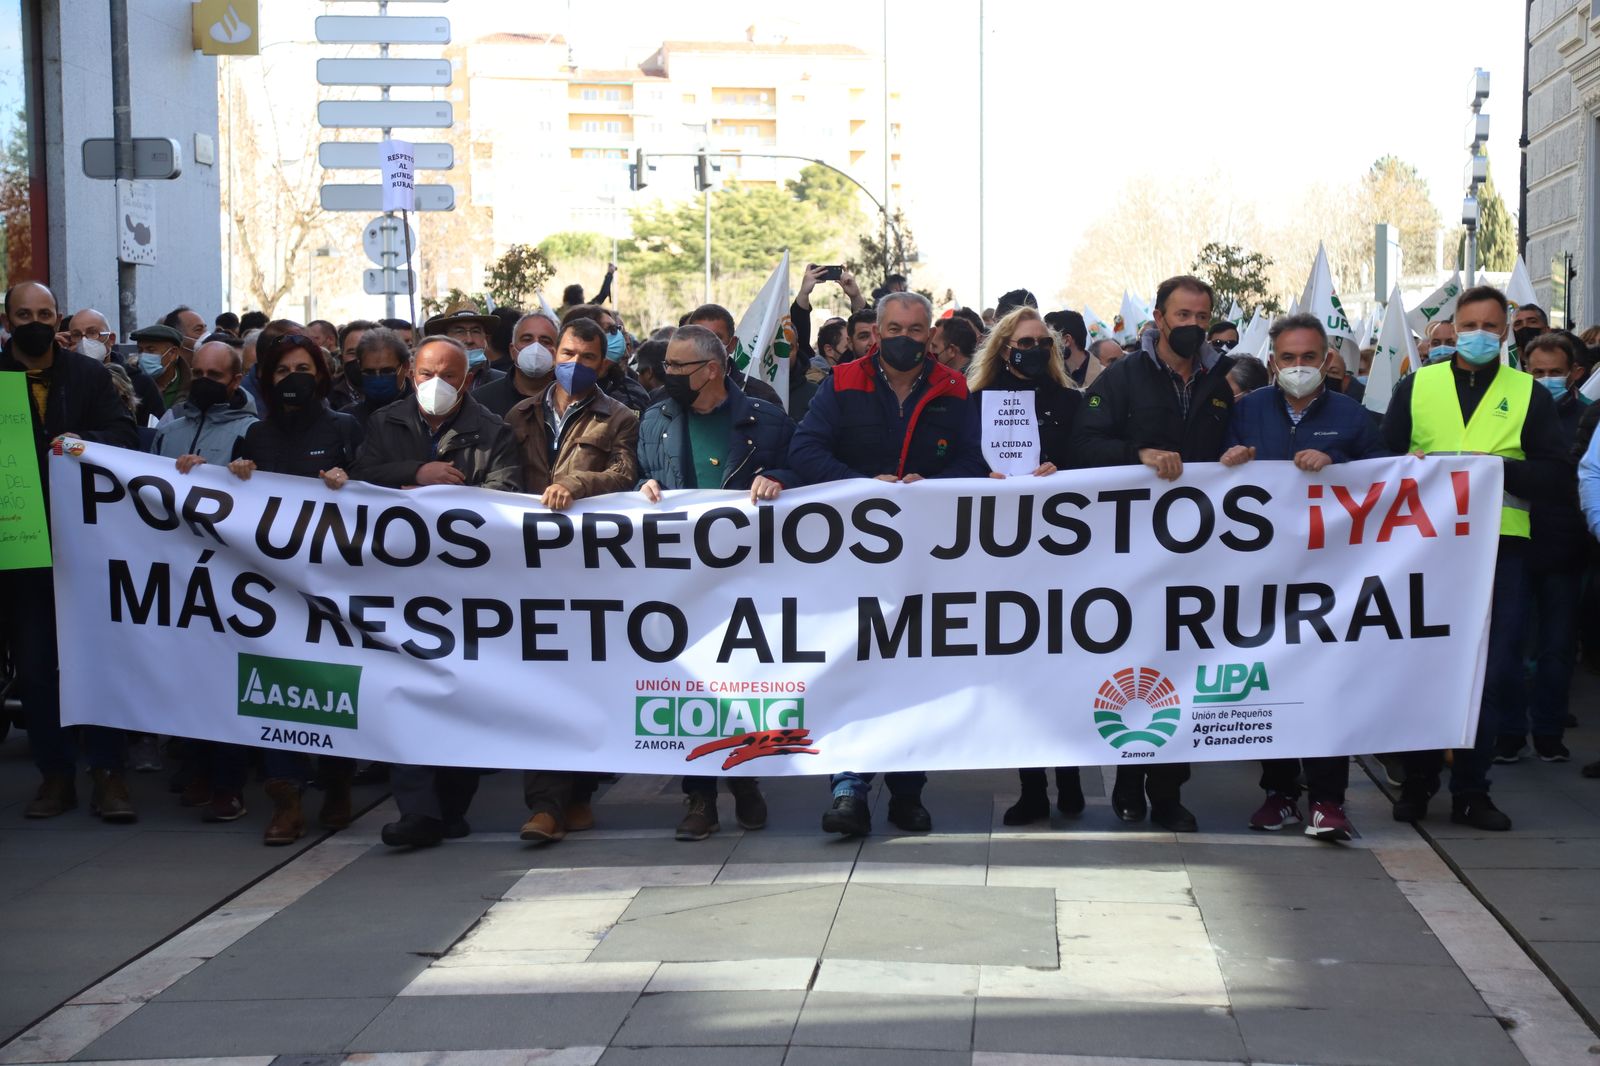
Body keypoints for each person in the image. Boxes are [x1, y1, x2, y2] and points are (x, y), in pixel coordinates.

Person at [791, 291, 986, 837]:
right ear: (877, 332)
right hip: (851, 555)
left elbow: (975, 460)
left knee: (910, 670)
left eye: (917, 330)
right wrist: (860, 488)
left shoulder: (953, 388)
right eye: (894, 328)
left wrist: (936, 487)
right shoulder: (842, 381)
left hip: (924, 559)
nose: (906, 338)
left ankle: (907, 791)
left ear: (932, 336)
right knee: (852, 665)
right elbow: (805, 451)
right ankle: (848, 788)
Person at [1381, 286, 1570, 831]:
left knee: (1490, 671)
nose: (1479, 335)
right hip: (1424, 550)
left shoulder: (1528, 394)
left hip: (1499, 551)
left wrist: (1495, 467)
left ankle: (1471, 788)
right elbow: (1381, 461)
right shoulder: (1416, 386)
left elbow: (1555, 474)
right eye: (1470, 325)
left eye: (1491, 326)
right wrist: (1409, 466)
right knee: (1421, 666)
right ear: (1454, 327)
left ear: (1507, 331)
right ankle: (1417, 781)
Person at [1071, 274, 1239, 833]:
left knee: (1183, 668)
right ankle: (1128, 776)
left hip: (1199, 553)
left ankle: (1169, 790)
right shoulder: (1123, 377)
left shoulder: (1221, 382)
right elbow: (1084, 446)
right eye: (1182, 316)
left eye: (1201, 316)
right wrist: (1137, 454)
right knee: (1135, 667)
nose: (1192, 326)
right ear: (1160, 320)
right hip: (1132, 552)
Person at [1219, 313, 1389, 841]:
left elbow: (1383, 476)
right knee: (1269, 682)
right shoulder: (1245, 411)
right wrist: (1232, 459)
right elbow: (1214, 474)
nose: (1298, 367)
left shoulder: (1352, 415)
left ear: (1327, 360)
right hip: (1262, 574)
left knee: (1325, 684)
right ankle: (1279, 794)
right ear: (1273, 361)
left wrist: (1336, 458)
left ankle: (1329, 801)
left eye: (1308, 357)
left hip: (1328, 578)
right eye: (1288, 358)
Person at [350, 336, 522, 848]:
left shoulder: (494, 431)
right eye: (426, 374)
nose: (435, 385)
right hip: (400, 589)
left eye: (448, 376)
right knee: (403, 696)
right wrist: (415, 474)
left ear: (469, 379)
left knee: (459, 697)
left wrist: (448, 498)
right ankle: (416, 812)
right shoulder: (386, 423)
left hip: (465, 592)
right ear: (409, 373)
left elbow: (506, 500)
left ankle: (450, 807)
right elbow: (361, 479)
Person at [636, 324, 793, 841]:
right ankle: (700, 796)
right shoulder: (655, 419)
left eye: (678, 367)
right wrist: (644, 485)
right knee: (689, 684)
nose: (667, 375)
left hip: (749, 579)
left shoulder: (766, 420)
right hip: (681, 579)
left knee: (739, 684)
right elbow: (638, 474)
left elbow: (803, 470)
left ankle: (744, 780)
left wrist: (781, 479)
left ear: (711, 369)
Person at [0, 281, 139, 821]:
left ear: (56, 316)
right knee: (35, 668)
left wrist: (81, 445)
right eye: (23, 313)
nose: (34, 321)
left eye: (44, 312)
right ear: (7, 319)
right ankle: (54, 774)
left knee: (98, 658)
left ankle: (109, 773)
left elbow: (126, 437)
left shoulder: (88, 375)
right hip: (20, 545)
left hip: (87, 542)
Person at [504, 317, 640, 845]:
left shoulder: (621, 416)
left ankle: (577, 793)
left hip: (591, 570)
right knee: (542, 686)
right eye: (566, 353)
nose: (573, 364)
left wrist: (574, 484)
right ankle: (544, 805)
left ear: (602, 363)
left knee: (586, 683)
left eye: (586, 357)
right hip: (530, 569)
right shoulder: (517, 414)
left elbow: (623, 475)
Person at [227, 332, 364, 845]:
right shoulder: (255, 435)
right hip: (269, 588)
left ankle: (336, 784)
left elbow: (374, 492)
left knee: (330, 684)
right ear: (266, 378)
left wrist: (349, 480)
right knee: (273, 686)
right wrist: (232, 475)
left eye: (303, 369)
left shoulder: (345, 427)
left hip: (332, 585)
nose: (293, 380)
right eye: (283, 371)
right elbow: (231, 502)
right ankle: (285, 801)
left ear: (321, 376)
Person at [969, 307, 1084, 824]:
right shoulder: (973, 403)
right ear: (1003, 346)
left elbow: (1096, 461)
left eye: (1043, 342)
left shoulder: (1071, 402)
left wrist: (1066, 471)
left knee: (1065, 667)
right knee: (1019, 673)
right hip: (1001, 557)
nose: (1033, 349)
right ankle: (1032, 786)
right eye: (1024, 341)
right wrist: (978, 474)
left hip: (1062, 554)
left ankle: (1072, 775)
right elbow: (951, 462)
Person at [157, 340, 260, 822]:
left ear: (236, 381)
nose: (203, 380)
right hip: (175, 573)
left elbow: (257, 499)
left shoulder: (250, 431)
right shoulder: (167, 431)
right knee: (184, 676)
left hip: (227, 577)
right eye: (196, 371)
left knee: (225, 680)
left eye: (215, 375)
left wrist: (223, 476)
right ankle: (194, 767)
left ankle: (228, 781)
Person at [1500, 330, 1588, 764]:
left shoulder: (1588, 419)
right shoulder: (1509, 411)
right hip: (1513, 547)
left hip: (1566, 550)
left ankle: (1550, 733)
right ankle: (1511, 734)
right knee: (1510, 645)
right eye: (1538, 372)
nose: (1546, 380)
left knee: (1556, 648)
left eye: (1556, 372)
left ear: (1575, 373)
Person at [682, 303, 785, 408]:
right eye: (700, 338)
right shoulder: (676, 391)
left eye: (716, 338)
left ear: (732, 345)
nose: (707, 346)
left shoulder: (763, 396)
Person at [563, 303, 654, 412]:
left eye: (617, 330)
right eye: (610, 330)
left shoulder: (632, 393)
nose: (619, 337)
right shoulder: (551, 390)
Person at [478, 310, 558, 417]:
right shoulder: (482, 401)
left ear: (557, 352)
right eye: (527, 339)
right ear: (512, 351)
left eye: (545, 341)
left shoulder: (571, 401)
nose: (536, 348)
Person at [422, 302, 506, 390]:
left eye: (475, 331)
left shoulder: (504, 383)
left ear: (485, 338)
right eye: (460, 331)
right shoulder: (430, 384)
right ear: (445, 339)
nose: (469, 340)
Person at [342, 327, 414, 429]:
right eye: (369, 372)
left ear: (405, 366)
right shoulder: (347, 420)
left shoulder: (425, 415)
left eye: (387, 371)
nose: (377, 378)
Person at [132, 323, 192, 410]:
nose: (143, 356)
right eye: (140, 350)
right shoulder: (129, 384)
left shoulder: (192, 386)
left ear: (173, 353)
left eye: (151, 350)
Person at [1044, 309, 1098, 387]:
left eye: (1048, 338)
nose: (1042, 344)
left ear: (1066, 340)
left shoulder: (1103, 377)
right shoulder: (1048, 373)